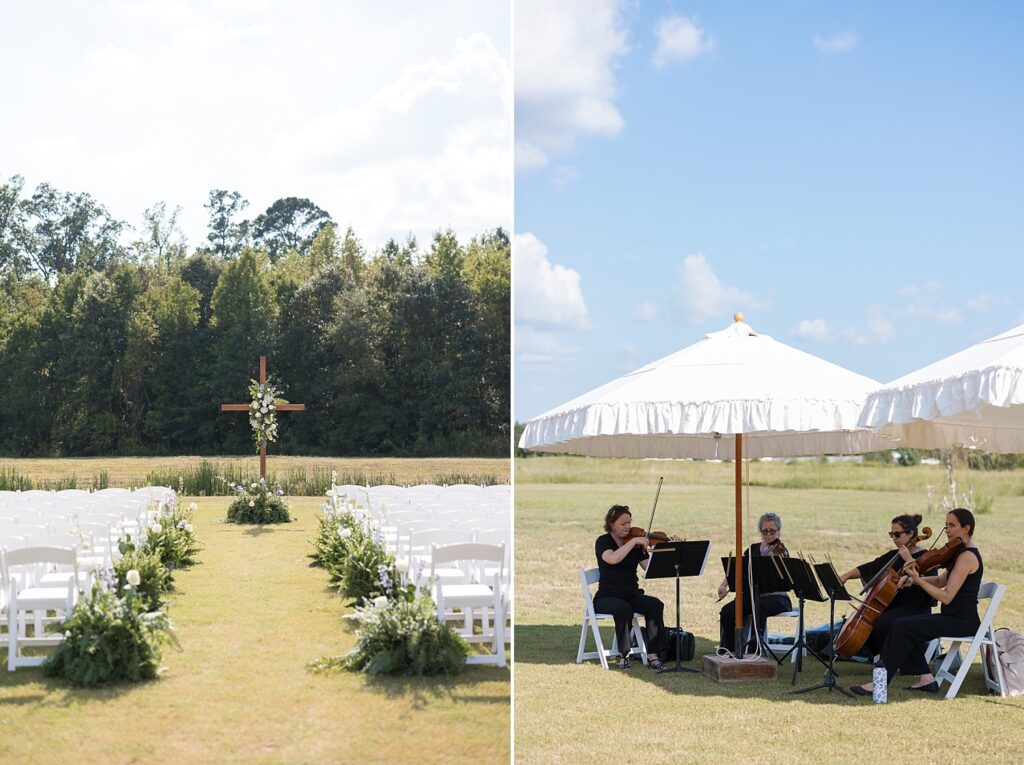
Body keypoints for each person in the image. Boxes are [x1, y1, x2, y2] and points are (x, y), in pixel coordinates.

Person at [851, 508, 983, 696]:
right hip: (952, 617)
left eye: (952, 526)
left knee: (902, 626)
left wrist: (918, 579)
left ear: (966, 528)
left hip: (963, 622)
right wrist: (912, 581)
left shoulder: (967, 557)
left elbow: (946, 596)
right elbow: (939, 581)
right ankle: (925, 679)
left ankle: (879, 683)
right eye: (946, 525)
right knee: (902, 625)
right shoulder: (960, 553)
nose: (946, 530)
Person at [836, 513, 935, 686]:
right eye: (891, 535)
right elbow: (870, 567)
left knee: (884, 623)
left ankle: (901, 668)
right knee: (877, 625)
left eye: (897, 534)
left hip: (917, 607)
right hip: (895, 607)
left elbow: (929, 584)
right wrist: (845, 576)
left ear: (911, 533)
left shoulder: (927, 557)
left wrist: (908, 559)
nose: (894, 538)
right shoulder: (894, 555)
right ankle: (904, 668)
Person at [594, 504, 679, 670]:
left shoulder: (636, 545)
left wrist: (670, 549)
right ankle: (623, 655)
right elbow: (612, 559)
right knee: (623, 608)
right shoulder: (603, 541)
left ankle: (654, 654)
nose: (627, 527)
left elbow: (649, 567)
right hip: (607, 596)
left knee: (655, 605)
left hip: (631, 594)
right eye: (623, 524)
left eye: (629, 523)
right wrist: (633, 542)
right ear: (611, 525)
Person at [717, 512, 793, 655]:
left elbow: (785, 572)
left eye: (772, 531)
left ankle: (755, 650)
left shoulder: (780, 549)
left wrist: (774, 556)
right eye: (765, 531)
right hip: (754, 595)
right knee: (727, 611)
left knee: (759, 607)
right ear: (760, 531)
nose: (769, 534)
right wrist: (724, 584)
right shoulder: (753, 549)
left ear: (778, 531)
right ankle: (730, 650)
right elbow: (737, 567)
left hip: (777, 598)